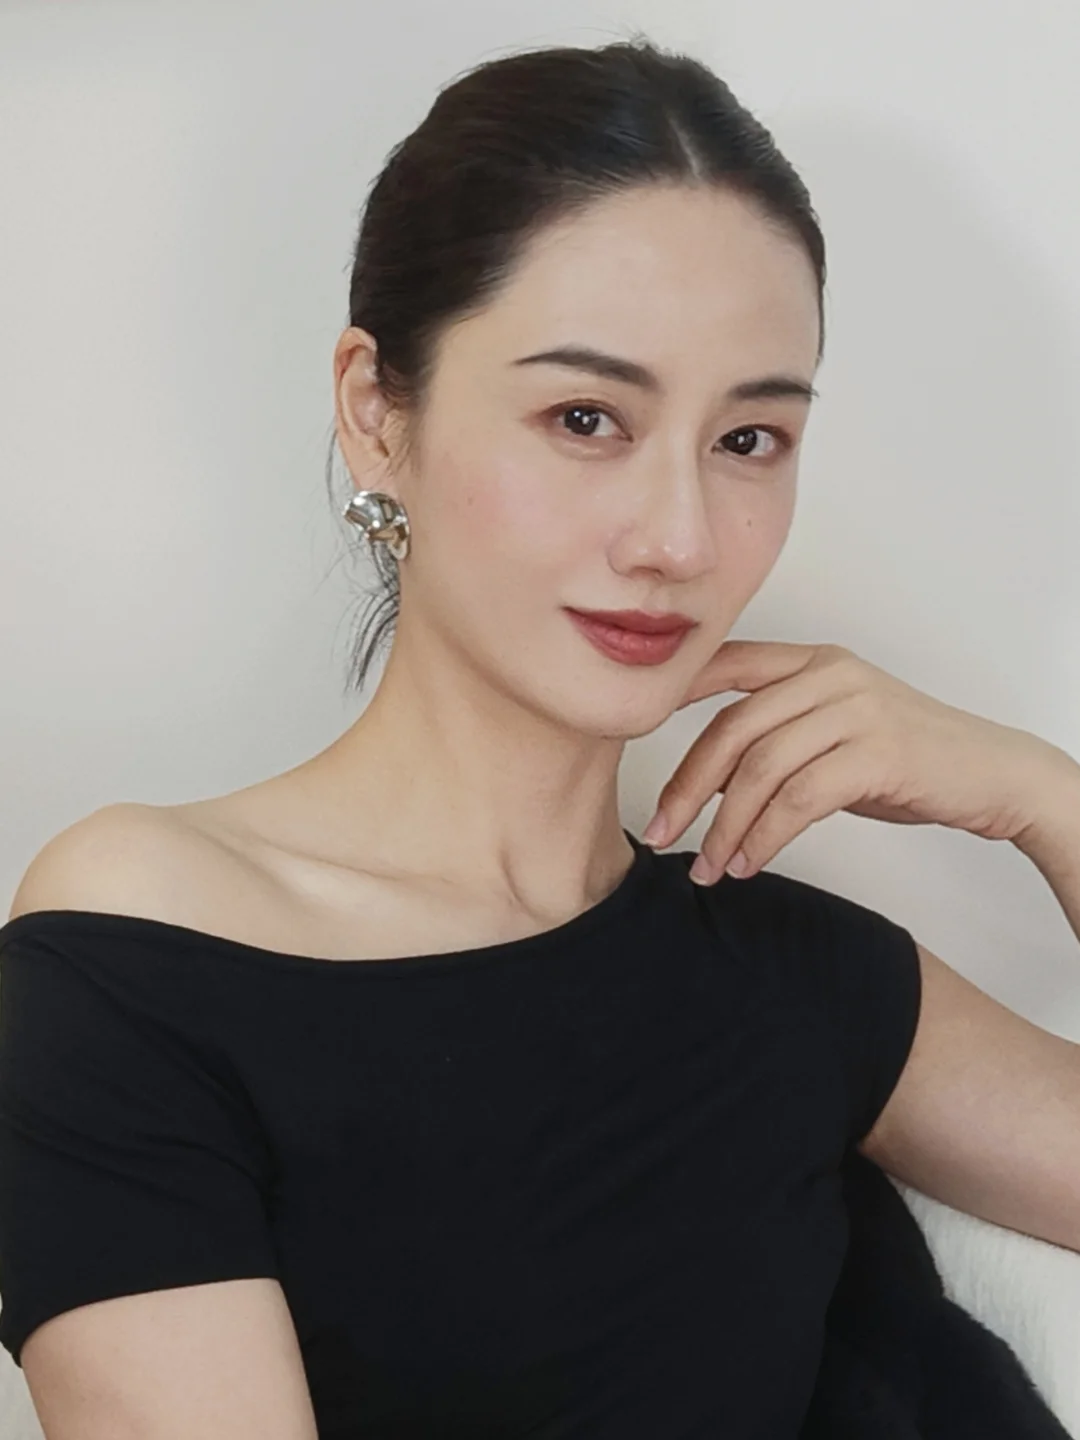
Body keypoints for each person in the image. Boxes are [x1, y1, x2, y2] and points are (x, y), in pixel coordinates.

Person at [3, 32, 1079, 1440]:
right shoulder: (140, 951)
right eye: (585, 417)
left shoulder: (790, 973)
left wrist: (1041, 797)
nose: (679, 539)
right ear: (376, 412)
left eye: (748, 440)